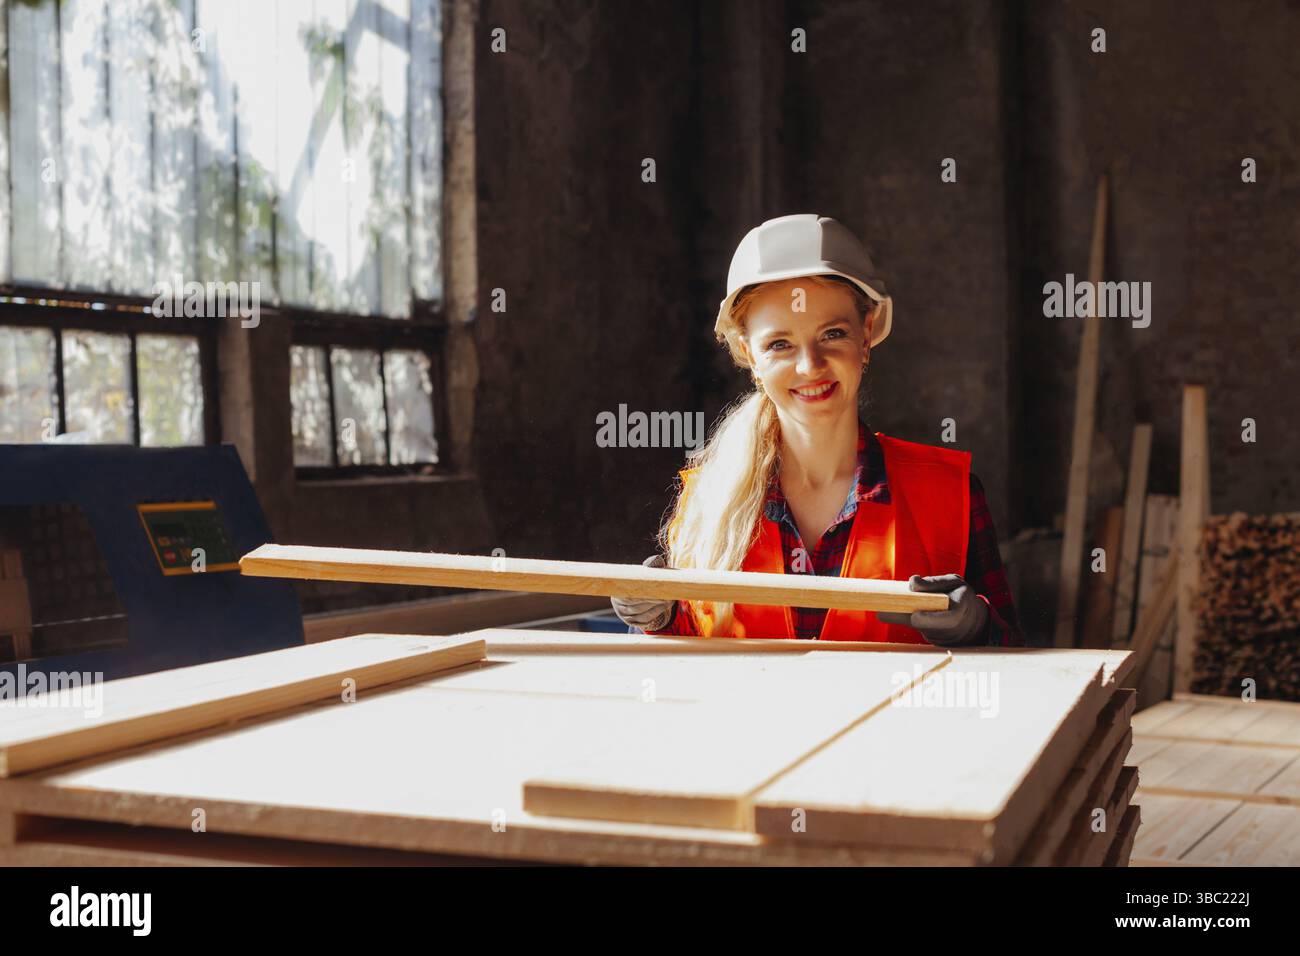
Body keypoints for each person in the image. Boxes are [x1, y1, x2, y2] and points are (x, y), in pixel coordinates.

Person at [612, 214, 1023, 646]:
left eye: (833, 334)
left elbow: (1019, 662)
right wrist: (660, 619)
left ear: (865, 336)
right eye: (779, 344)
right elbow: (696, 650)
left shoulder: (948, 493)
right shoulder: (710, 497)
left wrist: (977, 627)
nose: (810, 366)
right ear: (750, 355)